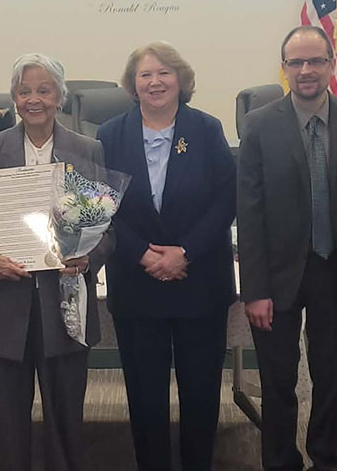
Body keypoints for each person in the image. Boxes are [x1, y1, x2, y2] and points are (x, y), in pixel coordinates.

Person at [0, 53, 114, 471]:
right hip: (3, 305)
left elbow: (106, 231)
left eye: (44, 90)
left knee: (66, 421)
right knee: (2, 423)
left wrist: (87, 257)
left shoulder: (87, 149)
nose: (34, 99)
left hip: (64, 306)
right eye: (24, 91)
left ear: (60, 96)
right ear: (15, 97)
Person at [237, 26, 337, 471]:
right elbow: (250, 212)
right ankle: (280, 461)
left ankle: (327, 458)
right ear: (283, 69)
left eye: (315, 61)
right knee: (278, 379)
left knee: (331, 376)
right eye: (296, 62)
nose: (306, 70)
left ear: (331, 64)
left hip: (336, 272)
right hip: (277, 276)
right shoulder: (259, 124)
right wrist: (255, 289)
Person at [96, 42, 235, 471]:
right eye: (145, 75)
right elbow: (98, 204)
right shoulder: (108, 135)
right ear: (132, 85)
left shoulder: (207, 129)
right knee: (145, 396)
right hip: (137, 286)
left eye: (164, 73)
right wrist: (142, 254)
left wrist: (185, 252)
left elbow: (226, 201)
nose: (155, 81)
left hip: (198, 283)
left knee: (200, 392)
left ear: (181, 80)